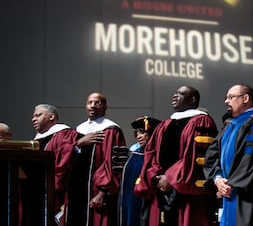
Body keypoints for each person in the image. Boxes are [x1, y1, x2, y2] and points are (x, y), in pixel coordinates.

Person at [136, 86, 218, 226]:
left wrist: (170, 178)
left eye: (180, 94)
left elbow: (196, 156)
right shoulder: (165, 124)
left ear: (192, 99)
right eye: (175, 93)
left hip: (188, 192)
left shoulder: (202, 122)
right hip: (162, 188)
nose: (175, 96)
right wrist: (156, 176)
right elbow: (151, 154)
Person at [204, 84, 253, 226]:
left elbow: (250, 160)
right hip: (228, 191)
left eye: (231, 97)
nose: (226, 101)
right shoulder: (230, 124)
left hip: (247, 195)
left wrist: (230, 184)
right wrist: (218, 179)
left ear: (245, 98)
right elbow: (212, 154)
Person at [68, 92, 126, 226]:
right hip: (76, 191)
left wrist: (102, 193)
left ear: (105, 107)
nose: (93, 106)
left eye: (97, 103)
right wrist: (80, 143)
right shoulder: (78, 131)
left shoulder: (111, 130)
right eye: (90, 102)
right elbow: (66, 160)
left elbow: (117, 164)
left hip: (98, 192)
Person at [32, 104, 79, 220]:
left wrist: (53, 185)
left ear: (51, 116)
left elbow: (63, 162)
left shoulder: (62, 134)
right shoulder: (39, 138)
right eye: (33, 116)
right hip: (39, 189)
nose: (33, 119)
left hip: (55, 191)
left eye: (38, 115)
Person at [118, 116, 160, 226]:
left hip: (148, 202)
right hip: (129, 200)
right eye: (136, 133)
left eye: (142, 132)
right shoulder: (133, 154)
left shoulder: (158, 156)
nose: (138, 136)